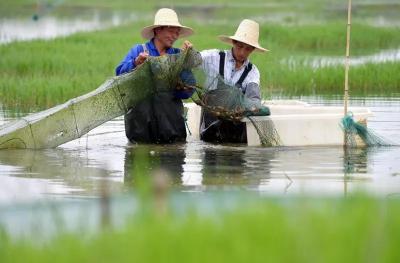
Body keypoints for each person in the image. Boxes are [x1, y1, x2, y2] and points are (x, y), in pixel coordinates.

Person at [115, 8, 195, 144]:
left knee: (172, 163)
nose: (175, 36)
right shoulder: (139, 51)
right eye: (171, 31)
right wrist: (136, 63)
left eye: (177, 33)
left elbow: (189, 89)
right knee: (139, 161)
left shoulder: (178, 56)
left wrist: (184, 60)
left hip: (172, 130)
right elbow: (119, 74)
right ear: (157, 30)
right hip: (140, 130)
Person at [199, 19, 268, 143]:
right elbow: (193, 60)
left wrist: (250, 107)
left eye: (247, 49)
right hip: (208, 130)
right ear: (233, 42)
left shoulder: (252, 72)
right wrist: (188, 52)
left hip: (234, 131)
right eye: (240, 46)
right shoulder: (213, 57)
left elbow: (253, 98)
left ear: (252, 49)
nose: (242, 52)